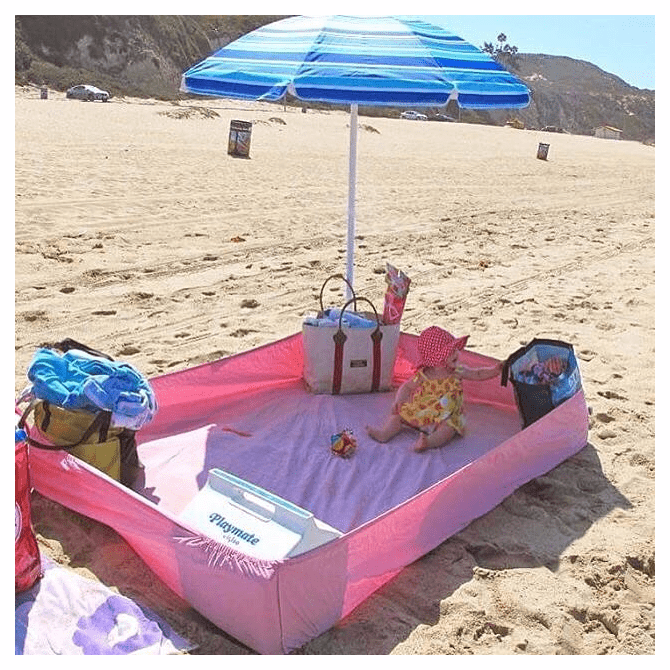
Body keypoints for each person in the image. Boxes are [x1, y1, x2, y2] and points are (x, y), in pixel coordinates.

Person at [366, 326, 503, 452]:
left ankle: (428, 442)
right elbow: (407, 387)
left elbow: (477, 374)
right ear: (437, 362)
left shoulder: (457, 371)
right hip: (423, 411)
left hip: (446, 414)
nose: (456, 353)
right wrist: (398, 401)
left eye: (455, 349)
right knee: (399, 415)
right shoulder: (424, 375)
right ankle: (384, 433)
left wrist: (495, 370)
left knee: (449, 429)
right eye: (450, 352)